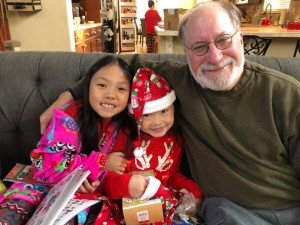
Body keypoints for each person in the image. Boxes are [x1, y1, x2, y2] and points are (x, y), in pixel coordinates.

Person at [39, 1, 300, 225]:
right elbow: (120, 66)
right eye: (199, 47)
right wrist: (68, 95)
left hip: (289, 211)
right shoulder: (179, 79)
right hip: (227, 212)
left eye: (223, 39)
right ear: (185, 53)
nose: (214, 55)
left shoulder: (286, 94)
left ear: (240, 39)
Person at [0, 55, 138, 225]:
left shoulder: (125, 129)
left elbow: (116, 173)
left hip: (79, 198)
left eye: (121, 89)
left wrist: (91, 181)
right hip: (41, 186)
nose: (111, 95)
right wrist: (100, 162)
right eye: (102, 85)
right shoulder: (69, 117)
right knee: (12, 212)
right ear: (87, 87)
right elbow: (47, 164)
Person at [100, 68, 202, 224]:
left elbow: (171, 175)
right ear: (134, 116)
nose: (157, 121)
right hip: (127, 205)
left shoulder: (175, 139)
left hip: (160, 203)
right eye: (147, 115)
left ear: (173, 108)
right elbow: (108, 179)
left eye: (164, 111)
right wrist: (127, 184)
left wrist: (190, 188)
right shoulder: (124, 136)